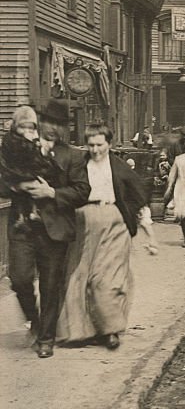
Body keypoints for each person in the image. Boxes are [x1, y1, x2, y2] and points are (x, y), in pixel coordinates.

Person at [0, 99, 90, 358]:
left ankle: (46, 338)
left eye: (59, 124)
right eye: (48, 122)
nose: (53, 128)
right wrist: (17, 188)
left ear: (66, 129)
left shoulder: (73, 156)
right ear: (40, 122)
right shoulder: (18, 147)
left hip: (55, 228)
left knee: (51, 285)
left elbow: (82, 191)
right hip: (22, 227)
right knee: (19, 279)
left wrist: (51, 192)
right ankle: (36, 321)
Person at [57, 123, 151, 350]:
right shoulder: (79, 165)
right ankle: (80, 331)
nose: (96, 150)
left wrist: (146, 228)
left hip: (113, 221)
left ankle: (110, 330)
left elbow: (138, 196)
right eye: (91, 145)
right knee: (78, 275)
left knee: (106, 277)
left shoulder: (118, 167)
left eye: (100, 145)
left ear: (109, 144)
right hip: (83, 220)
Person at [0, 105, 56, 233]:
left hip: (30, 172)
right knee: (19, 196)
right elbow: (9, 160)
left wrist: (41, 149)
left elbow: (38, 158)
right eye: (22, 127)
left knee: (33, 192)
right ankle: (21, 217)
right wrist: (31, 143)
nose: (26, 130)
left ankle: (33, 211)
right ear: (15, 126)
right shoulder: (11, 139)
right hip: (16, 173)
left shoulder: (34, 139)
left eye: (30, 128)